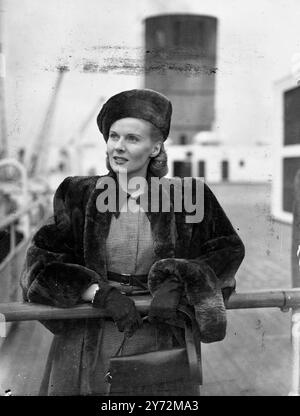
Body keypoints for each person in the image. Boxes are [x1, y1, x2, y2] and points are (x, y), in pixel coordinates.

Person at [20, 89, 245, 396]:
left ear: (155, 147)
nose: (119, 147)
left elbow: (227, 249)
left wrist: (179, 283)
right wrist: (97, 293)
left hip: (159, 338)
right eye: (114, 136)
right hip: (89, 337)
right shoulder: (77, 193)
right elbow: (38, 265)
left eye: (132, 139)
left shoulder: (189, 195)